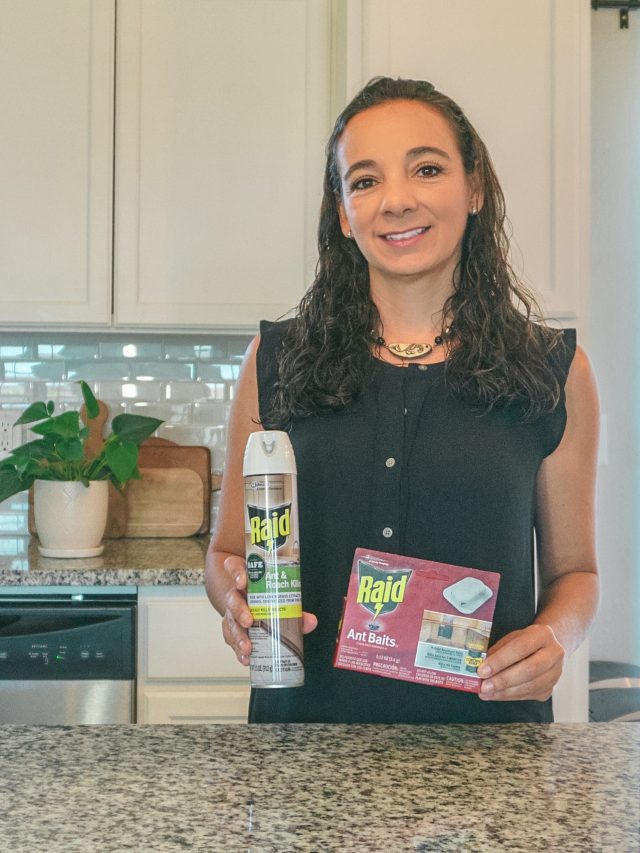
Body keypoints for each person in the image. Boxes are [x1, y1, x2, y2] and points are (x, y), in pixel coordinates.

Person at [204, 77, 599, 724]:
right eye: (365, 181)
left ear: (474, 189)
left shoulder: (553, 369)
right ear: (342, 213)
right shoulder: (276, 360)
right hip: (307, 745)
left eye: (427, 169)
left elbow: (576, 574)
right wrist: (235, 600)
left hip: (488, 752)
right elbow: (226, 553)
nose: (396, 200)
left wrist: (556, 637)